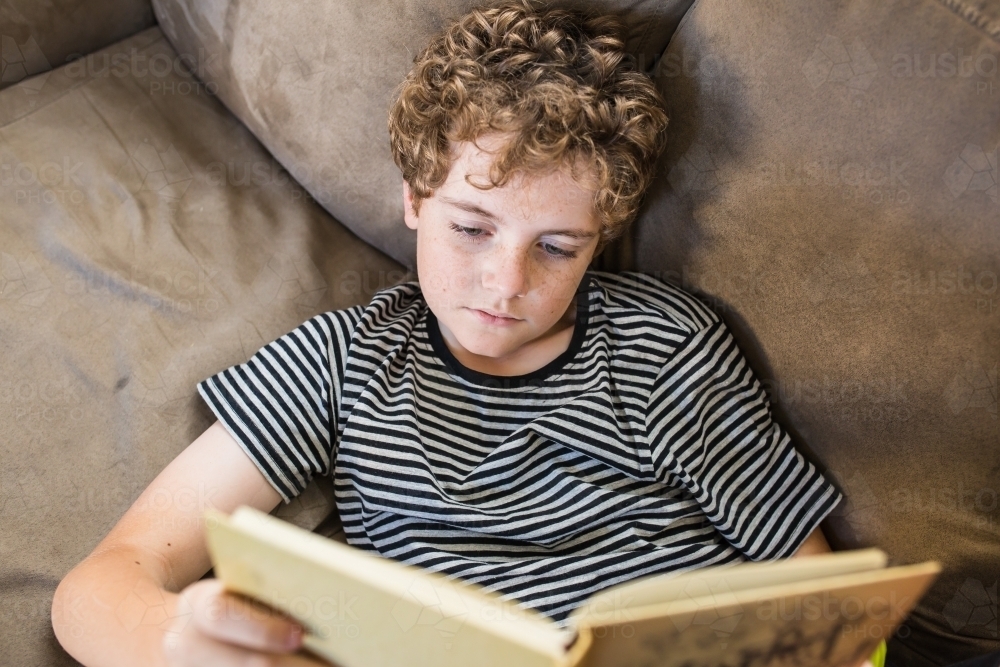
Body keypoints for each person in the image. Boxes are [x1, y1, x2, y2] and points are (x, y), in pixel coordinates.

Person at [51, 1, 877, 665]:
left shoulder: (667, 348)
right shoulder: (345, 363)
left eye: (557, 247)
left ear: (601, 236)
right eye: (471, 228)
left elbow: (817, 597)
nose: (506, 283)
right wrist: (173, 641)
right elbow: (102, 583)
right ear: (415, 196)